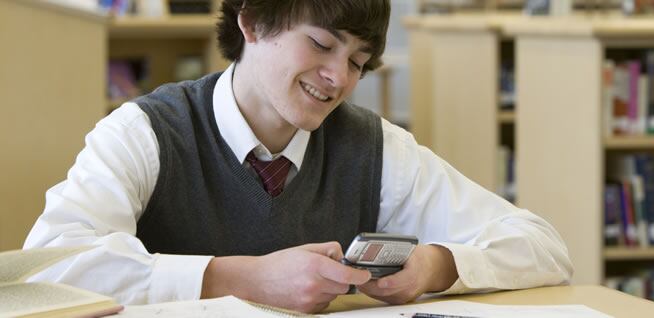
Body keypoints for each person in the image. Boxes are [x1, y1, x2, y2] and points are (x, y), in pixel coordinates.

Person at [24, 0, 573, 314]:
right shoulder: (145, 131)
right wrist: (238, 279)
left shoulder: (374, 145)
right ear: (252, 21)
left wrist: (437, 267)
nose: (339, 79)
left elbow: (542, 245)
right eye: (321, 44)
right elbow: (49, 269)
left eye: (359, 61)